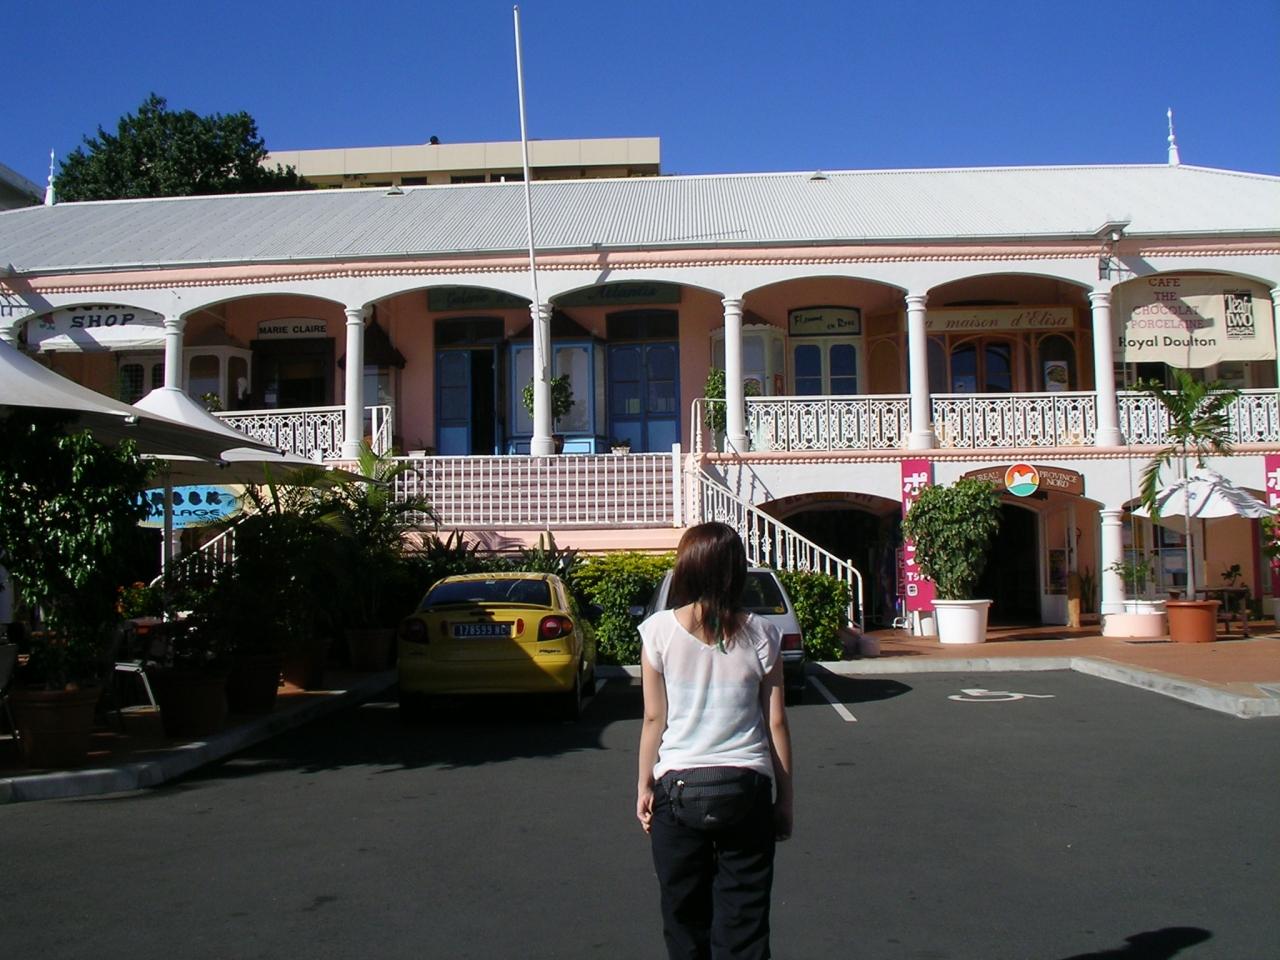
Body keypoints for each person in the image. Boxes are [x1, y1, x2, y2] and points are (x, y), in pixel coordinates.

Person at [636, 522, 794, 960]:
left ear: (686, 569)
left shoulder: (658, 632)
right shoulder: (763, 634)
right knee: (745, 921)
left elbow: (653, 718)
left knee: (684, 919)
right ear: (736, 572)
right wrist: (785, 800)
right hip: (746, 788)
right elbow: (776, 721)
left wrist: (645, 785)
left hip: (678, 789)